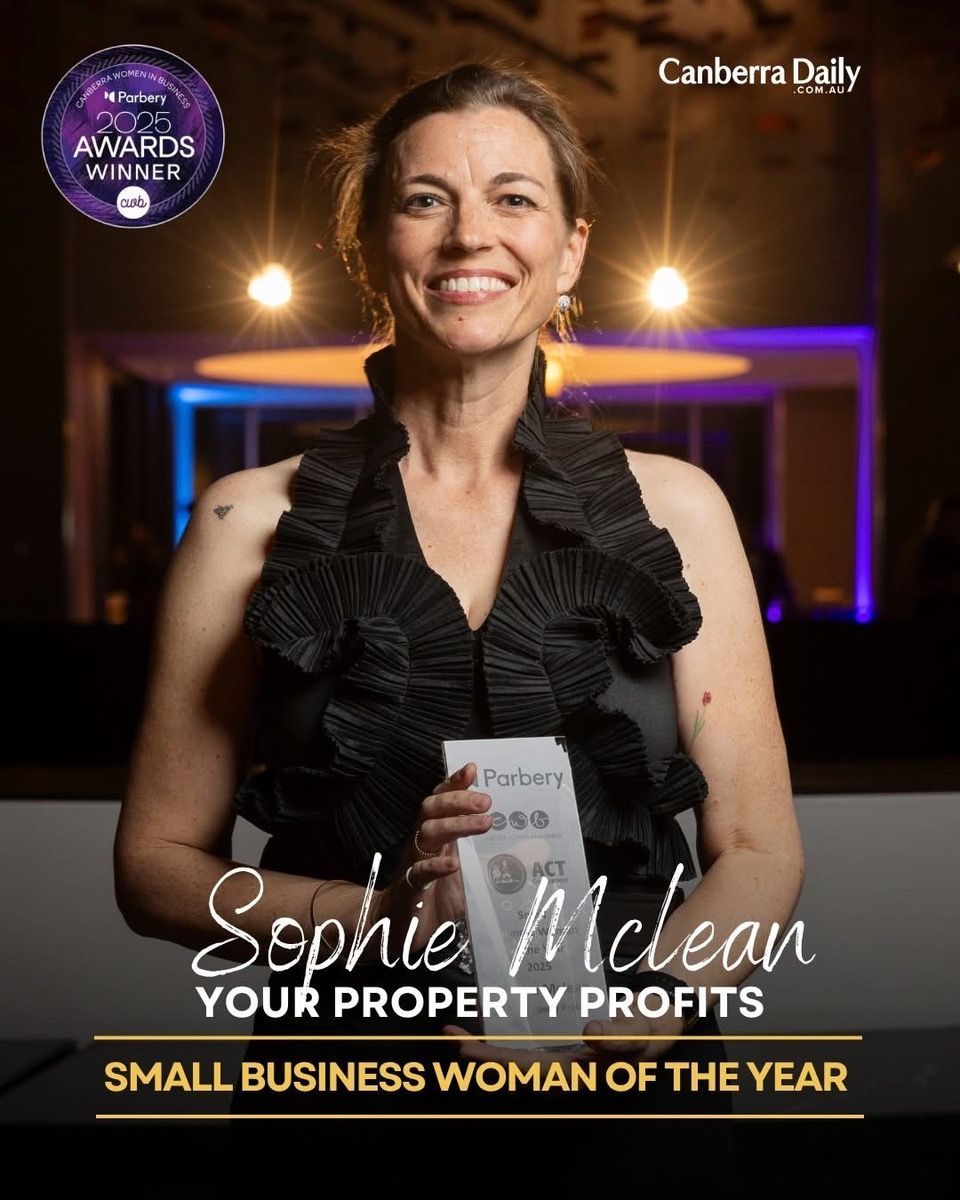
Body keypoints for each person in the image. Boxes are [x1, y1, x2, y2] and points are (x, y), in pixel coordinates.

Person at [114, 61, 804, 1164]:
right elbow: (154, 866)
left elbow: (760, 849)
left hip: (631, 1085)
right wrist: (377, 917)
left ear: (570, 249)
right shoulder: (247, 522)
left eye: (513, 198)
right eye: (426, 198)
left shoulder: (680, 510)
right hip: (346, 1094)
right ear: (372, 245)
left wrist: (662, 1001)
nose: (469, 234)